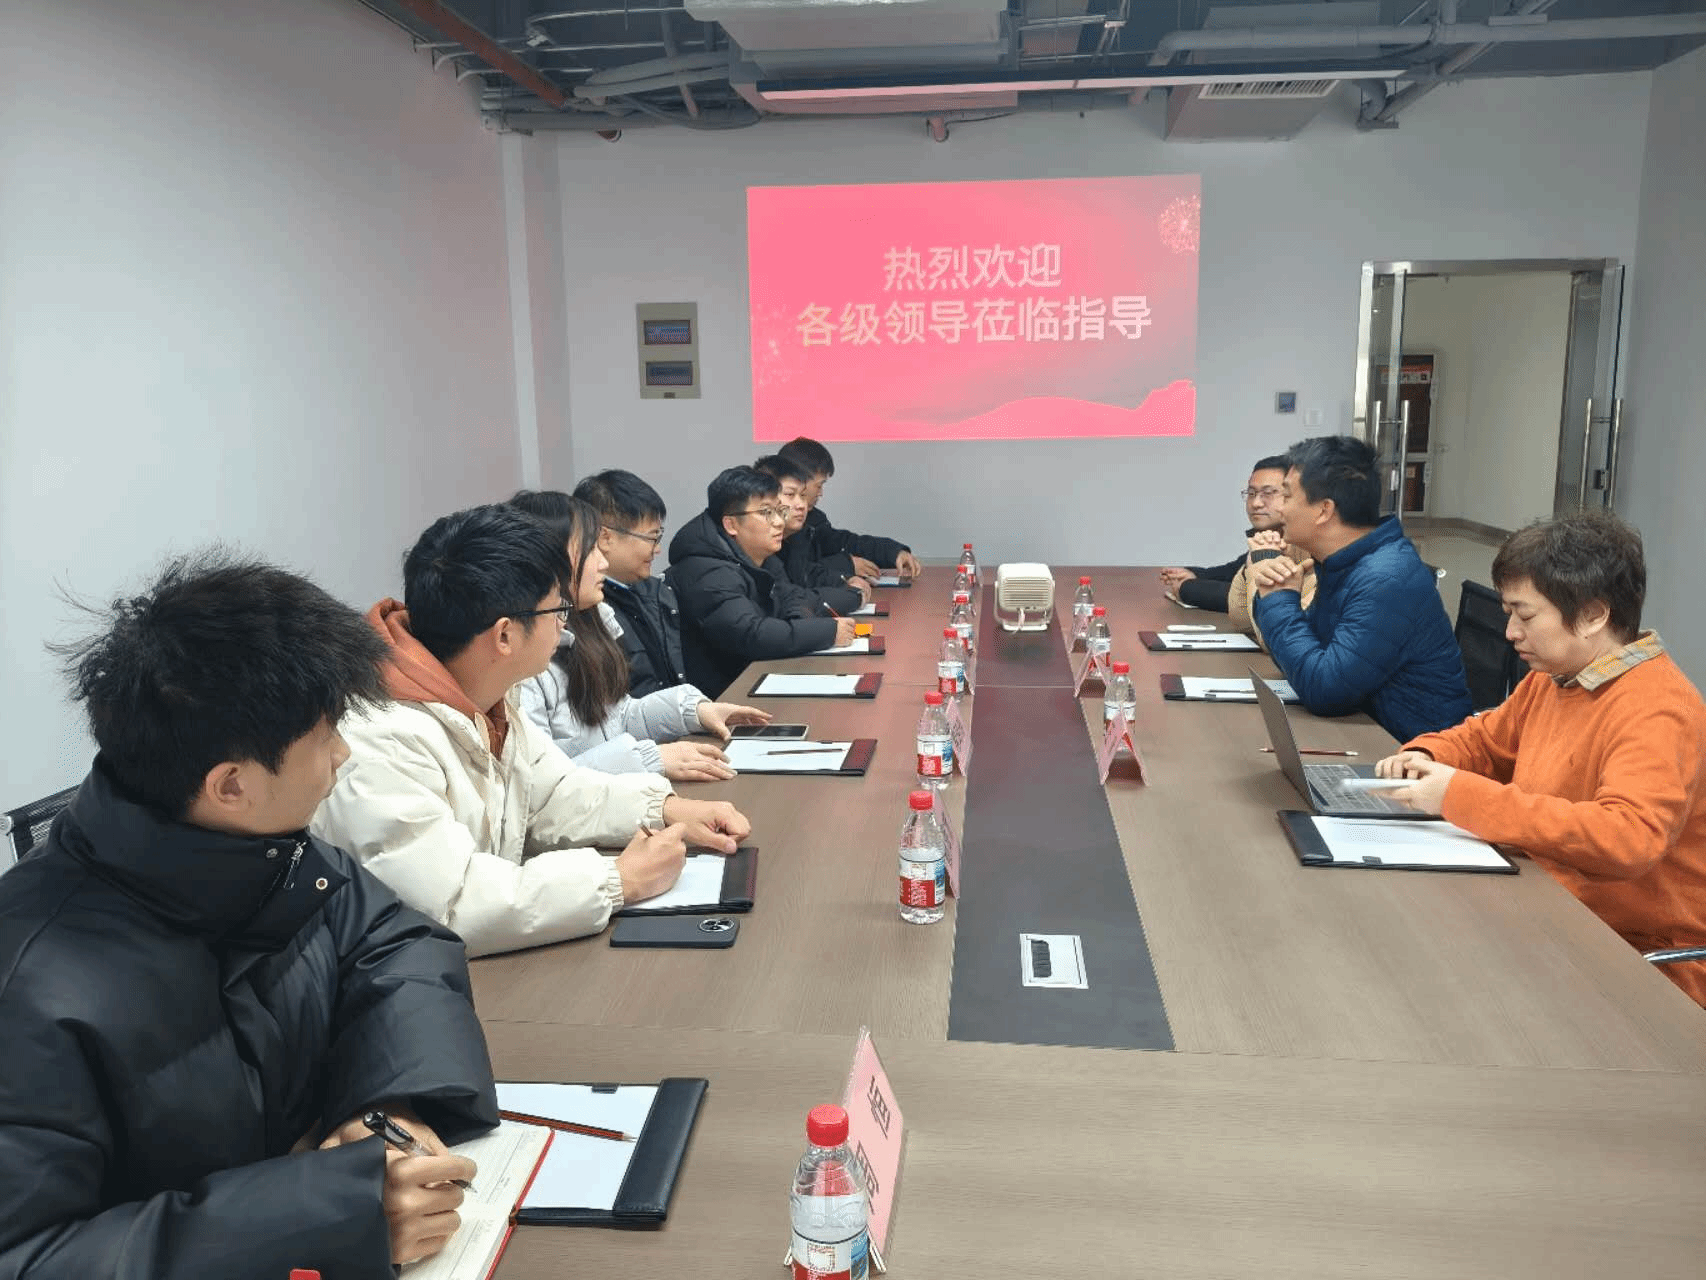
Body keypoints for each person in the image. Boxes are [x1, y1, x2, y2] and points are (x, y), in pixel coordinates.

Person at [0, 553, 497, 1277]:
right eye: (326, 735)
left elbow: (399, 940)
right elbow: (28, 1257)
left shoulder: (270, 851)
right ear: (230, 784)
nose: (343, 753)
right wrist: (324, 1218)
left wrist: (384, 1104)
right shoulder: (31, 993)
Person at [313, 504, 752, 958]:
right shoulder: (380, 738)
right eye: (557, 610)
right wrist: (617, 881)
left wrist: (666, 809)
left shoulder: (483, 690)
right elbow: (446, 906)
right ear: (504, 636)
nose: (564, 625)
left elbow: (550, 794)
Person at [1376, 511, 1706, 1006]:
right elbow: (1484, 742)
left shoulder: (1658, 708)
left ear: (1592, 615)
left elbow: (1627, 839)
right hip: (1549, 910)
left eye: (1525, 616)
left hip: (1637, 957)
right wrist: (1426, 753)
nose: (1510, 631)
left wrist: (1459, 795)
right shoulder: (1556, 677)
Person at [508, 490, 772, 780]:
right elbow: (540, 782)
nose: (603, 563)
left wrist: (692, 711)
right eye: (589, 550)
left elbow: (620, 716)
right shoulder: (521, 662)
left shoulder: (591, 622)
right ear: (545, 562)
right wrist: (649, 758)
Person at [1250, 435, 1472, 741]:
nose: (1280, 510)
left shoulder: (1386, 578)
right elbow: (1299, 665)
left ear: (1324, 510)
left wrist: (1278, 601)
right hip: (1371, 734)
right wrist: (1272, 596)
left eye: (1286, 497)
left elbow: (1325, 691)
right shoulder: (1344, 563)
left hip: (1415, 751)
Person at [668, 466, 856, 697]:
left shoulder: (759, 556)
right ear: (731, 525)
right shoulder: (706, 570)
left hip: (757, 679)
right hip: (721, 698)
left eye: (779, 511)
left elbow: (794, 597)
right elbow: (751, 635)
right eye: (767, 512)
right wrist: (827, 632)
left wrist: (799, 624)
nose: (779, 522)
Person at [1158, 454, 1316, 640]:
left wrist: (1186, 588)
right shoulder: (1275, 539)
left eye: (1268, 493)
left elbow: (1257, 597)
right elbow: (1236, 572)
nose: (1256, 503)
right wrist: (1193, 574)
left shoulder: (1308, 545)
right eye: (1251, 493)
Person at [573, 468, 692, 697]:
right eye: (652, 537)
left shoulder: (656, 592)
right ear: (605, 537)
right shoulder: (585, 607)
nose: (657, 549)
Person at [777, 436, 923, 582]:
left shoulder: (814, 519)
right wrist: (846, 565)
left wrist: (893, 552)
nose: (820, 493)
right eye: (819, 485)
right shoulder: (773, 525)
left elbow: (846, 543)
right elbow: (795, 575)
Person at [754, 452, 870, 615]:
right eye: (790, 495)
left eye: (802, 495)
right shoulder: (758, 548)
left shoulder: (795, 536)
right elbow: (789, 601)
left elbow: (807, 573)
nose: (801, 505)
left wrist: (844, 581)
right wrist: (852, 597)